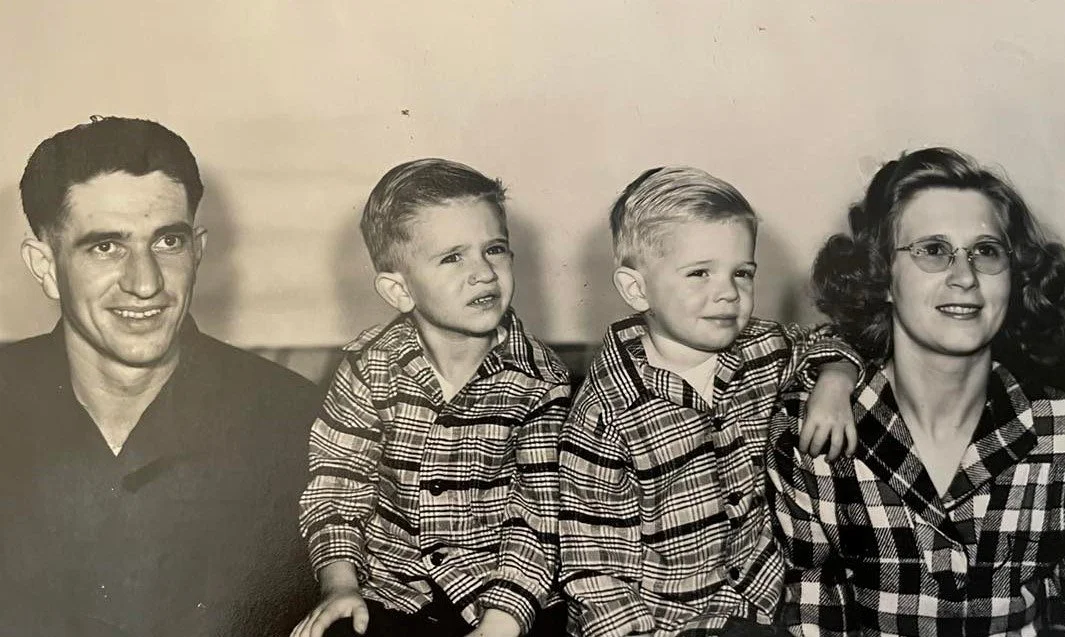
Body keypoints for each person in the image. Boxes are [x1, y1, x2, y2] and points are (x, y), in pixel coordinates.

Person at [0, 116, 319, 637]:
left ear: (198, 251)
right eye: (106, 247)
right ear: (45, 266)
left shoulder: (297, 424)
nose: (146, 283)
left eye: (168, 242)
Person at [766, 147, 1065, 635]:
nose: (964, 277)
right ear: (881, 275)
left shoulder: (1057, 428)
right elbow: (813, 615)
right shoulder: (811, 434)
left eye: (987, 251)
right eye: (932, 250)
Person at [558, 166, 865, 636]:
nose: (727, 292)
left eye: (742, 273)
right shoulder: (604, 413)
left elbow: (826, 340)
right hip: (664, 623)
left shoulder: (763, 347)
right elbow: (595, 569)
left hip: (764, 607)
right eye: (699, 273)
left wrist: (836, 378)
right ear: (636, 289)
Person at [291, 158, 571, 637]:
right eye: (452, 257)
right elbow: (337, 487)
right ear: (399, 290)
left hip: (505, 598)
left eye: (494, 249)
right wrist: (340, 586)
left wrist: (503, 621)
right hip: (394, 593)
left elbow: (540, 517)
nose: (484, 273)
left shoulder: (542, 382)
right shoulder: (369, 367)